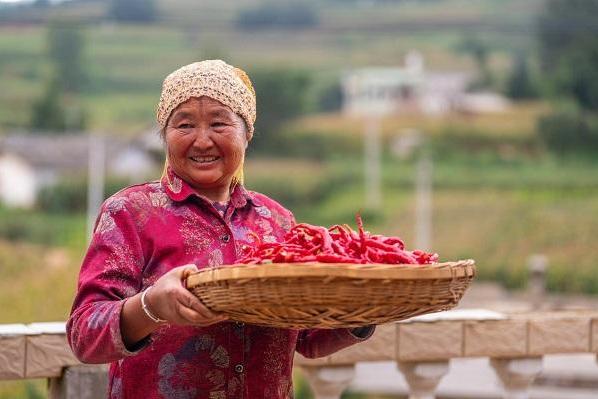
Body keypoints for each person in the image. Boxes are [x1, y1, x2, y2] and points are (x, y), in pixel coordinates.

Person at [67, 60, 374, 399]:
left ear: (246, 135)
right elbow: (84, 334)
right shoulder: (130, 213)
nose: (202, 141)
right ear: (165, 136)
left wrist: (364, 311)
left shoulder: (278, 221)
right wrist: (151, 306)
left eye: (219, 123)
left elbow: (305, 336)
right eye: (184, 125)